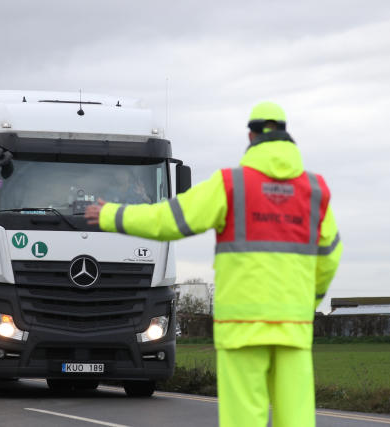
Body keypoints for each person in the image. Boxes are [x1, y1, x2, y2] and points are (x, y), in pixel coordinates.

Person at [85, 102, 342, 427]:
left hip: (242, 326)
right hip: (294, 325)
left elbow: (170, 220)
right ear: (285, 132)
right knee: (297, 419)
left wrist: (111, 214)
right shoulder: (314, 190)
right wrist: (310, 300)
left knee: (243, 418)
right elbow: (330, 255)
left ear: (251, 134)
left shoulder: (230, 185)